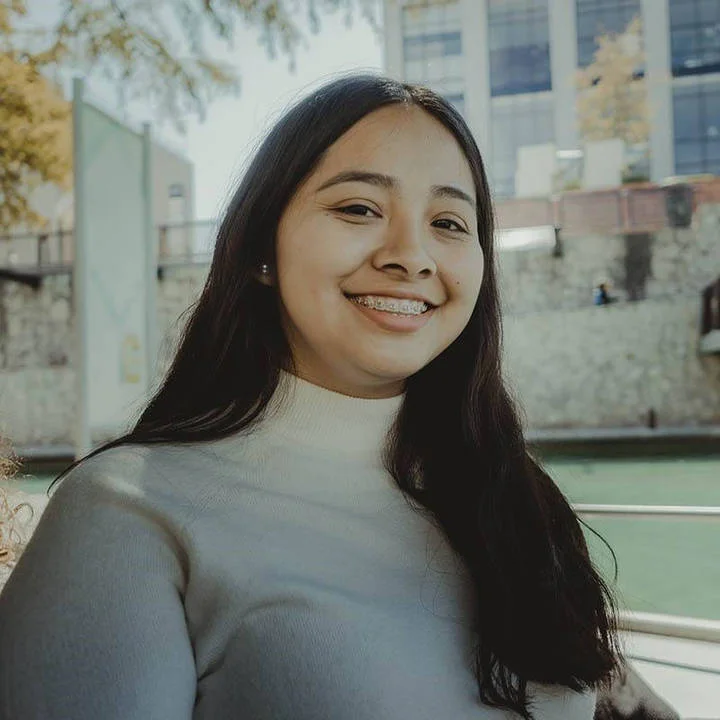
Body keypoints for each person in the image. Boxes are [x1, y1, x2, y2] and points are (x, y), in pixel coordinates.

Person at [0, 75, 622, 719]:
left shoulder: (522, 503)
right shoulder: (125, 512)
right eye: (358, 209)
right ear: (260, 249)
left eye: (448, 222)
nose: (411, 257)